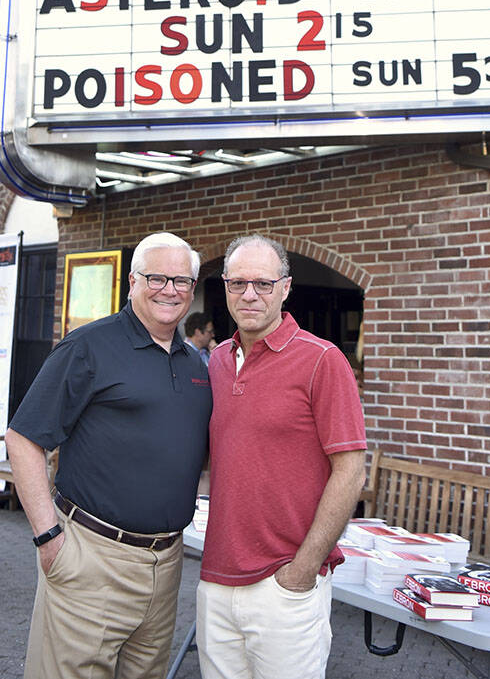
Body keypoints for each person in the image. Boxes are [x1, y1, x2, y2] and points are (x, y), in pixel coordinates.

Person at [6, 232, 212, 679]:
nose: (169, 289)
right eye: (157, 277)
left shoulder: (197, 365)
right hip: (91, 557)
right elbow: (23, 438)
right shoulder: (89, 347)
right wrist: (47, 538)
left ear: (192, 289)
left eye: (181, 280)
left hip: (167, 563)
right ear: (133, 282)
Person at [196, 233, 367, 679]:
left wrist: (304, 568)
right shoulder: (216, 361)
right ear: (225, 288)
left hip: (284, 582)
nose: (249, 294)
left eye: (263, 284)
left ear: (285, 288)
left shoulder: (322, 361)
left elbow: (350, 472)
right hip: (216, 578)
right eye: (237, 283)